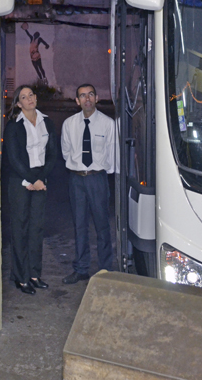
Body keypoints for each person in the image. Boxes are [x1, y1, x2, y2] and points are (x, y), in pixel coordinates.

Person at [3, 85, 59, 295]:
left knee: (36, 228)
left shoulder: (47, 122)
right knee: (20, 229)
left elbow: (53, 153)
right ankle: (20, 277)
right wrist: (32, 179)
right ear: (18, 103)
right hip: (20, 181)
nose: (29, 99)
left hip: (40, 179)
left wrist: (41, 177)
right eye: (24, 97)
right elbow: (14, 158)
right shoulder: (14, 125)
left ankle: (34, 274)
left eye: (31, 95)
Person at [61, 83, 118, 284]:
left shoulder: (108, 123)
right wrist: (76, 169)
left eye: (91, 95)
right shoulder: (69, 124)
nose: (87, 99)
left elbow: (112, 152)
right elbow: (66, 151)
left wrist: (105, 175)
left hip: (97, 179)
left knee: (102, 225)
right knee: (79, 225)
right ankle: (81, 268)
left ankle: (105, 270)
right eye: (83, 96)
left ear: (96, 98)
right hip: (76, 179)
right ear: (77, 101)